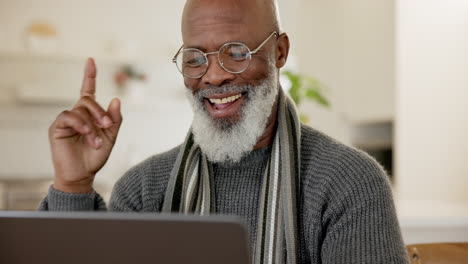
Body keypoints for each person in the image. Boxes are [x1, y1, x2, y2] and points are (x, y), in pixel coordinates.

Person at [39, 0, 409, 263]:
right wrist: (73, 186)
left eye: (236, 52)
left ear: (279, 52)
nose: (214, 76)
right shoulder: (143, 188)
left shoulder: (349, 182)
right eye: (195, 58)